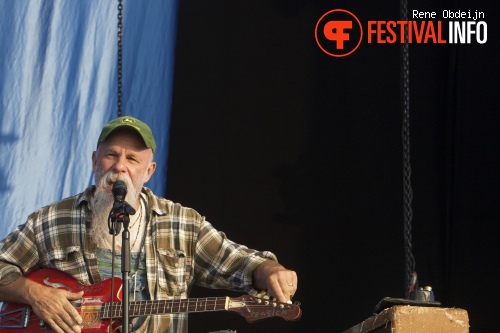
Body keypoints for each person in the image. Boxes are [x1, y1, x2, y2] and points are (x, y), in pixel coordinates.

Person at [0, 116, 298, 333]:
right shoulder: (51, 220)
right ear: (95, 161)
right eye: (111, 155)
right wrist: (35, 294)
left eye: (132, 158)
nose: (120, 167)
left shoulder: (183, 224)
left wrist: (268, 270)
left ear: (149, 170)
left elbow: (239, 264)